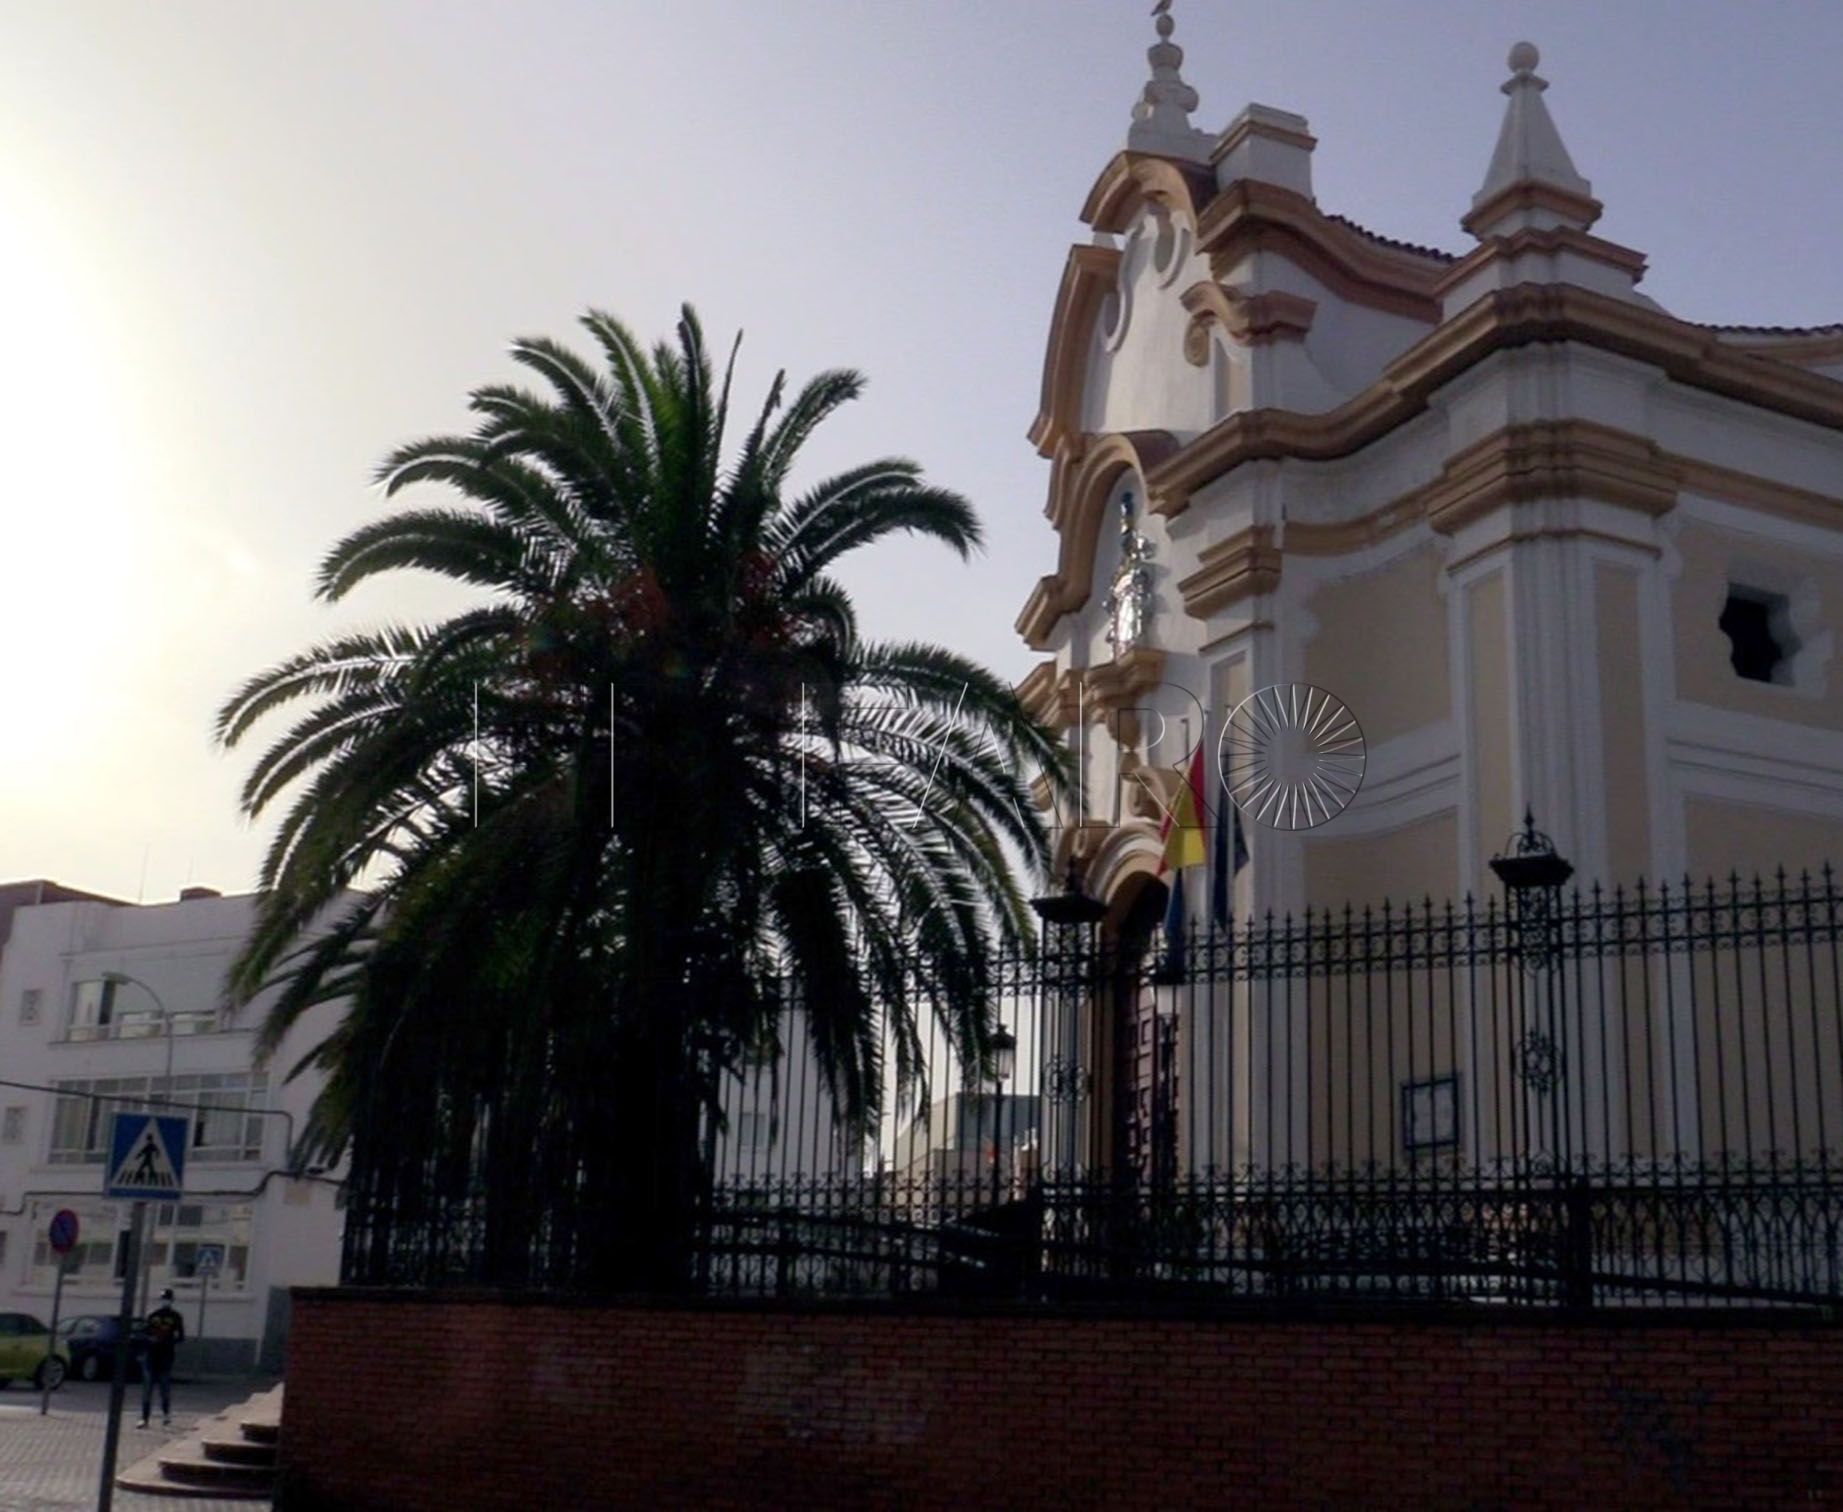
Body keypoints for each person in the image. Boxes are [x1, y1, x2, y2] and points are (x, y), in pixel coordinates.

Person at [138, 1288, 185, 1428]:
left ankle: (166, 1416)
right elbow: (143, 1333)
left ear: (171, 1301)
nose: (165, 1301)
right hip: (150, 1357)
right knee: (147, 1389)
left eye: (167, 1299)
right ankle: (144, 1418)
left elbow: (181, 1337)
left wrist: (169, 1342)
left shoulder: (176, 1317)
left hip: (166, 1356)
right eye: (163, 1299)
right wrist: (150, 1340)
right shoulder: (153, 1315)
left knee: (164, 1388)